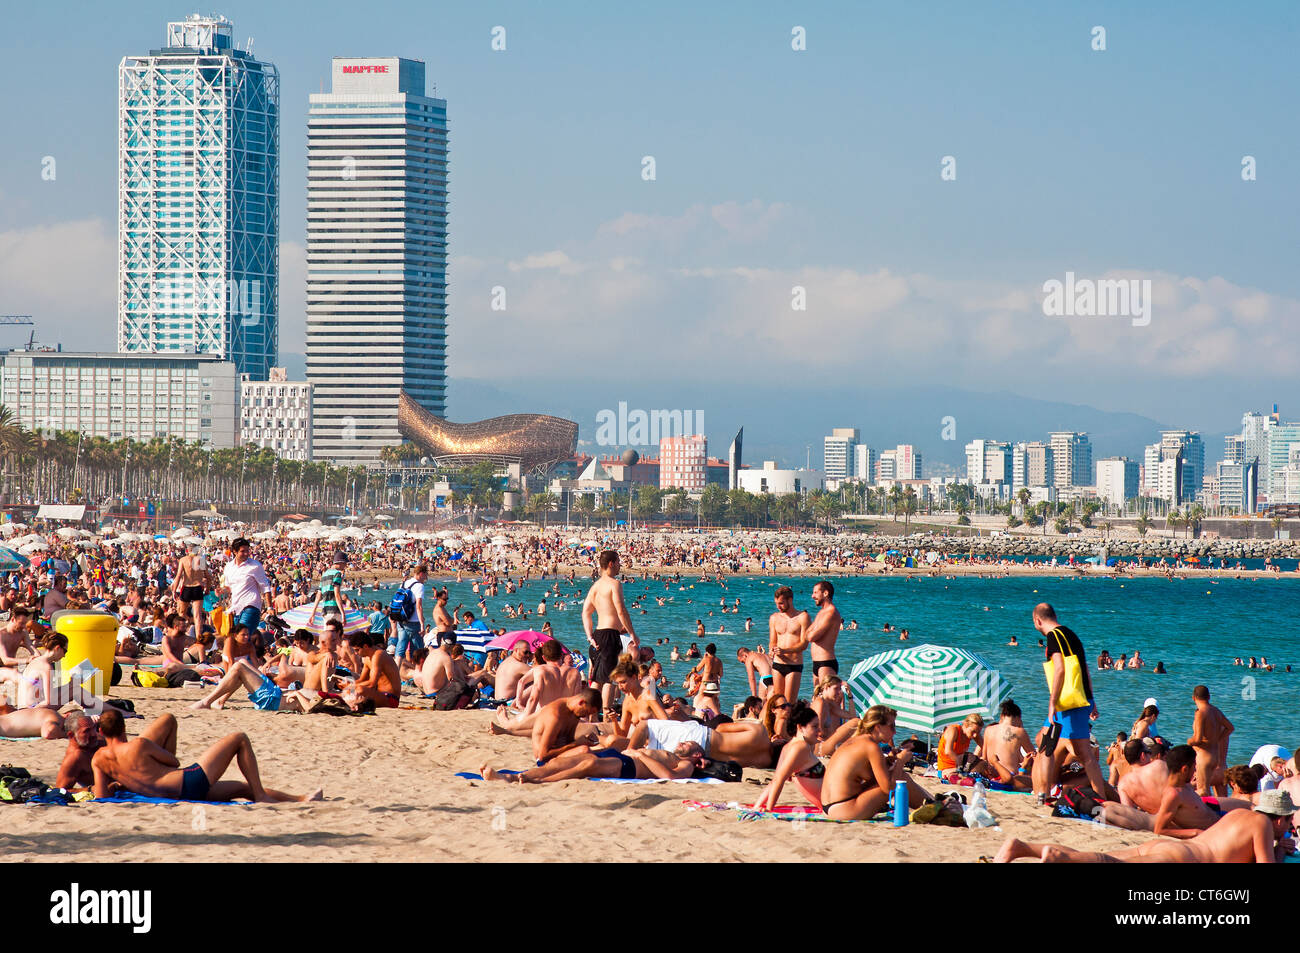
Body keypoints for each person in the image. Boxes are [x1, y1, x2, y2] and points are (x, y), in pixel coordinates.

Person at [996, 790, 1296, 864]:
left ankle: (1022, 848)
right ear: (1279, 818)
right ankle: (1058, 858)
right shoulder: (1262, 825)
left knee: (1107, 855)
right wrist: (1279, 852)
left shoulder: (1239, 815)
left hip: (1173, 849)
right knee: (1108, 863)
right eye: (1289, 821)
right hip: (1181, 859)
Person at [92, 709, 322, 803]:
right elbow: (174, 761)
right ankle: (261, 795)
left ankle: (299, 800)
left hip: (172, 793)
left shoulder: (98, 760)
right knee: (239, 738)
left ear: (101, 732)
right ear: (124, 727)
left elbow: (101, 795)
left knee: (242, 788)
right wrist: (156, 761)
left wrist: (121, 782)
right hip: (187, 781)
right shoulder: (139, 745)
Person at [1033, 603, 1105, 797]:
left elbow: (1060, 669)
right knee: (1084, 754)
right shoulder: (1071, 634)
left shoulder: (1053, 637)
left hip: (1067, 702)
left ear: (1037, 621)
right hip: (1081, 698)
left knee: (1046, 745)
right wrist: (1092, 699)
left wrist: (1052, 703)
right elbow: (1084, 668)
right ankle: (1101, 797)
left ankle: (1043, 794)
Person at [819, 705, 932, 820]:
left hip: (831, 807)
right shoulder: (871, 746)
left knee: (897, 775)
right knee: (902, 779)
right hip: (845, 809)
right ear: (878, 727)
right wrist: (901, 762)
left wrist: (889, 760)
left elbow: (873, 777)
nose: (894, 732)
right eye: (891, 726)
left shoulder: (857, 740)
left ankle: (933, 803)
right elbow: (888, 788)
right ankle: (934, 807)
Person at [581, 550, 638, 713]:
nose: (620, 566)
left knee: (597, 679)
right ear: (611, 563)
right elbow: (621, 610)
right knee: (609, 679)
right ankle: (606, 713)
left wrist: (589, 636)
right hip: (610, 635)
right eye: (618, 562)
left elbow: (586, 612)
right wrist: (632, 633)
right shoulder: (614, 584)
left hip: (598, 635)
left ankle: (590, 714)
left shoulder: (595, 586)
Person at [752, 704, 825, 812]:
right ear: (800, 727)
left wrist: (757, 806)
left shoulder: (787, 747)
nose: (819, 731)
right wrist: (768, 809)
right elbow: (779, 780)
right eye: (814, 727)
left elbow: (775, 780)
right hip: (833, 803)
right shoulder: (801, 747)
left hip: (830, 802)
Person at [980, 700, 1035, 790]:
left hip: (991, 777)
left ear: (1002, 716)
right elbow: (1033, 756)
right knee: (1036, 780)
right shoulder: (1019, 731)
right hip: (1010, 777)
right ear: (1018, 717)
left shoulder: (988, 730)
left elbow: (984, 757)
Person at [1189, 685, 1233, 796]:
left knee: (1201, 791)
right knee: (1222, 800)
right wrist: (1216, 740)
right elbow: (1231, 728)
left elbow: (1197, 739)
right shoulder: (1217, 713)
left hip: (1205, 759)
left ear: (1193, 698)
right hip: (1221, 766)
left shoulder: (1200, 713)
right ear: (1209, 697)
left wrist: (1189, 742)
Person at [768, 585, 810, 702]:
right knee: (778, 702)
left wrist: (785, 650)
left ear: (790, 600)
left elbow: (804, 644)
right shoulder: (774, 618)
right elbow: (772, 642)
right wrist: (771, 650)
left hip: (794, 664)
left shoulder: (803, 617)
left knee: (789, 704)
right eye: (776, 603)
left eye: (781, 603)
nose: (778, 606)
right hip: (778, 663)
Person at [221, 538, 271, 633]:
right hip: (236, 607)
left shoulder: (255, 566)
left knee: (242, 636)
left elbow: (265, 587)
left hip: (251, 606)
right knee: (237, 639)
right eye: (242, 551)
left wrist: (269, 607)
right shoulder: (228, 567)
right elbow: (229, 588)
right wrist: (221, 590)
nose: (246, 554)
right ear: (234, 552)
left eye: (247, 551)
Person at [806, 580, 842, 678]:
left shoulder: (831, 613)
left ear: (825, 593)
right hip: (817, 662)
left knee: (826, 693)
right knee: (817, 694)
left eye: (815, 592)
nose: (812, 596)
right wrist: (809, 633)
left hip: (826, 663)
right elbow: (808, 633)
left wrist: (809, 633)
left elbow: (811, 637)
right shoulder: (822, 612)